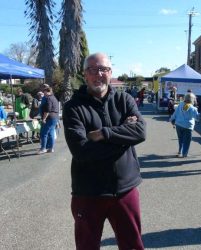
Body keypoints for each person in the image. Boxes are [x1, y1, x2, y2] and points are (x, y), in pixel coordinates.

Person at [63, 52, 146, 250]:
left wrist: (104, 134)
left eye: (104, 69)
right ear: (85, 74)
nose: (98, 74)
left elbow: (140, 132)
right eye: (93, 69)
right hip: (88, 192)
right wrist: (124, 138)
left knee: (133, 245)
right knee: (87, 246)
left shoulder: (124, 99)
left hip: (124, 189)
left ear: (110, 73)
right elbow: (81, 150)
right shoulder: (73, 107)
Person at [170, 92, 199, 158]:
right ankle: (184, 153)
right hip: (187, 126)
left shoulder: (180, 104)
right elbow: (197, 118)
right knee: (187, 141)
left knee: (180, 139)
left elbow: (175, 113)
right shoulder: (192, 108)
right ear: (192, 99)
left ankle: (180, 151)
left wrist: (171, 119)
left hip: (179, 124)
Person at [37, 86, 59, 154]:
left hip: (49, 118)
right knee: (51, 133)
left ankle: (43, 148)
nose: (44, 94)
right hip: (55, 117)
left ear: (48, 91)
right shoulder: (54, 98)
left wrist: (44, 118)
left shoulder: (49, 98)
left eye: (44, 92)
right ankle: (51, 148)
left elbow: (47, 110)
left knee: (44, 133)